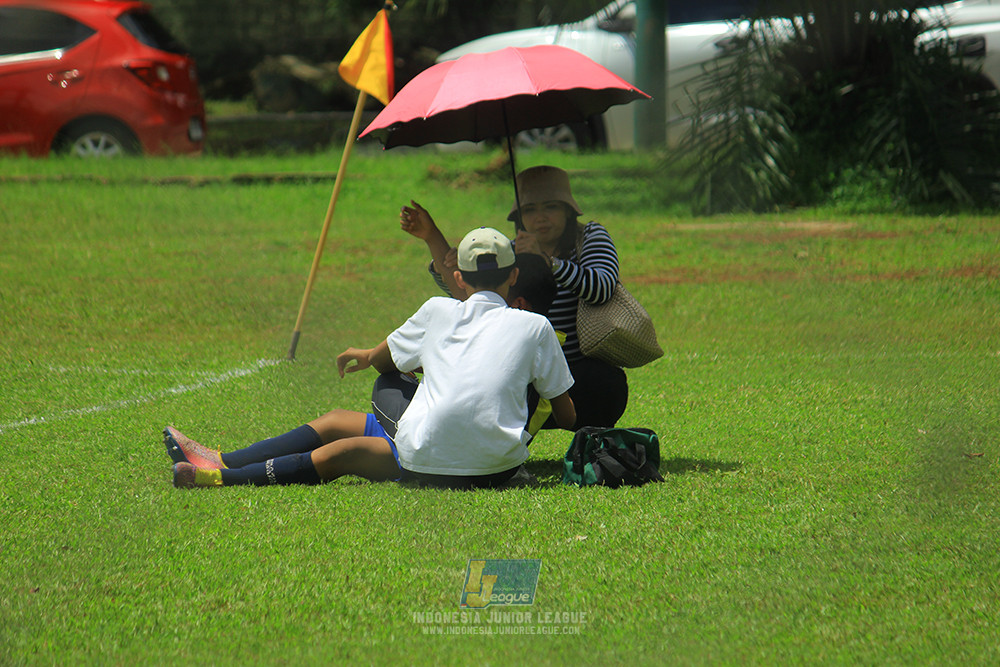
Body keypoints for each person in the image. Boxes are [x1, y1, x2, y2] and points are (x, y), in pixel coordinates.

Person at [167, 227, 576, 490]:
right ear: (513, 275)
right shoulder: (537, 327)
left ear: (458, 278)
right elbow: (568, 416)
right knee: (336, 424)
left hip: (426, 462)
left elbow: (385, 365)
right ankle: (219, 465)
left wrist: (378, 356)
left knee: (369, 409)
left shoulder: (438, 309)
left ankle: (221, 473)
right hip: (497, 470)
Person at [400, 165, 628, 429]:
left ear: (568, 210)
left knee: (607, 381)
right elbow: (468, 295)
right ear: (519, 216)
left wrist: (547, 262)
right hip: (522, 373)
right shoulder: (507, 251)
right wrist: (437, 242)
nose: (540, 218)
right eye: (530, 210)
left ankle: (592, 440)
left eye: (551, 207)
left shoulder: (589, 236)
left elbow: (602, 288)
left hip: (577, 371)